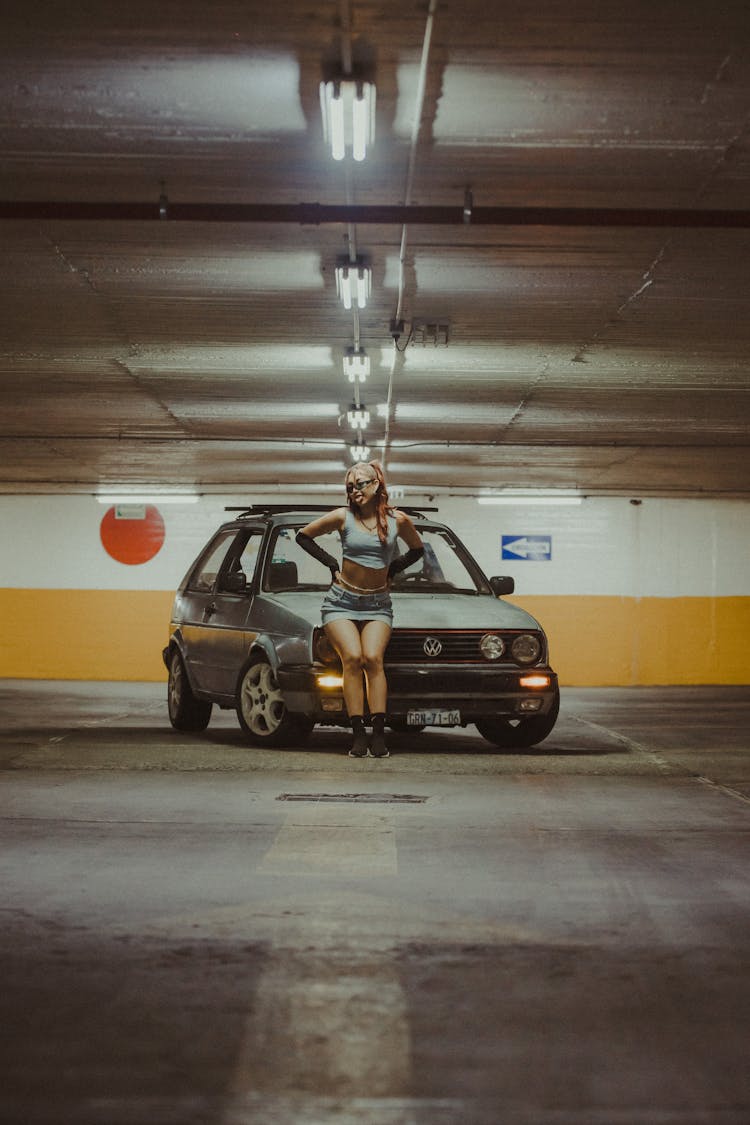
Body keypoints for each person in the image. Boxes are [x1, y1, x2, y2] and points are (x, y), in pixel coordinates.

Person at [296, 461, 424, 758]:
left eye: (361, 484)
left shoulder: (398, 521)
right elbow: (304, 536)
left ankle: (379, 735)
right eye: (350, 487)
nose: (354, 491)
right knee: (352, 658)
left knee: (372, 659)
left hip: (378, 603)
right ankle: (358, 735)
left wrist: (393, 569)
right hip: (341, 601)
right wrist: (330, 563)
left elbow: (417, 550)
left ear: (377, 484)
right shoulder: (343, 518)